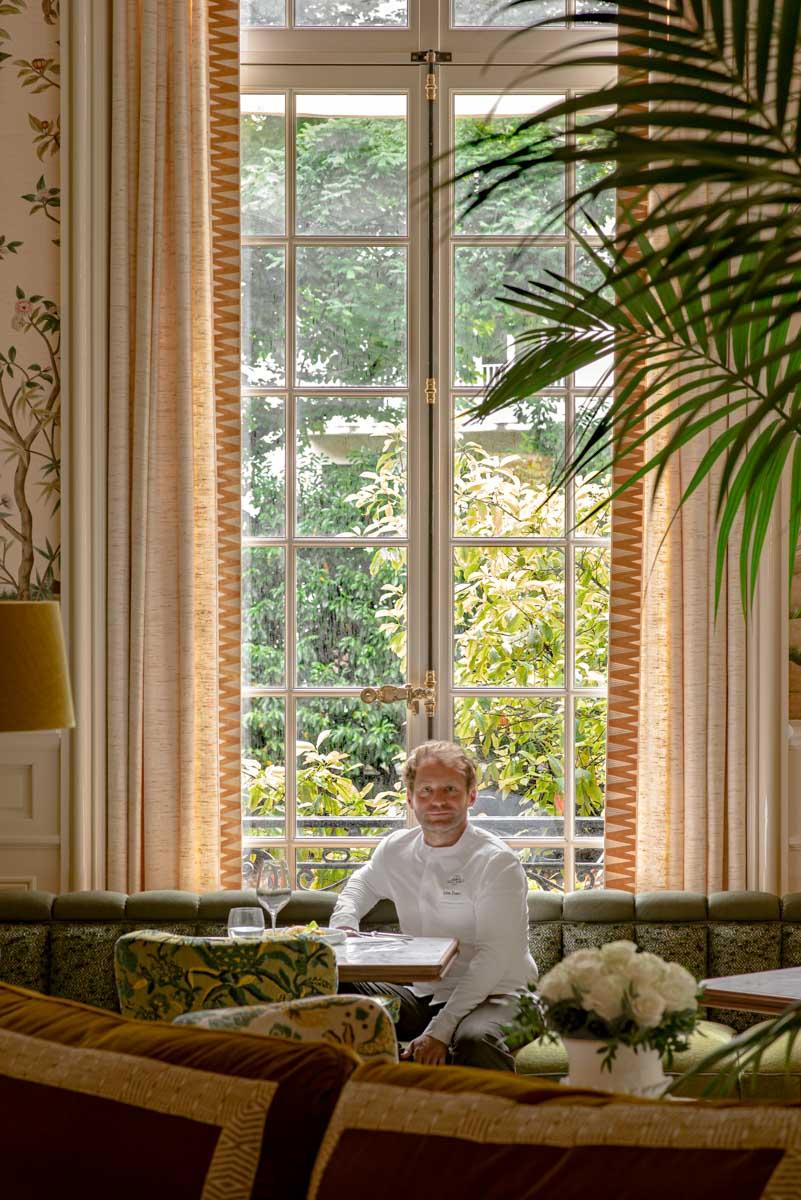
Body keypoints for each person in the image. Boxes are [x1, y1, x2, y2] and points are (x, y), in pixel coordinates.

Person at [330, 740, 537, 1071]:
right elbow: (362, 883)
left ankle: (495, 1123)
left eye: (450, 789)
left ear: (471, 796)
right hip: (424, 995)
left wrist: (439, 1032)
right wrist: (343, 924)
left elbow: (493, 958)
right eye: (425, 791)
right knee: (328, 980)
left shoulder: (496, 862)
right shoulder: (395, 849)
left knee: (472, 1041)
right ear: (410, 799)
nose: (437, 800)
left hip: (503, 996)